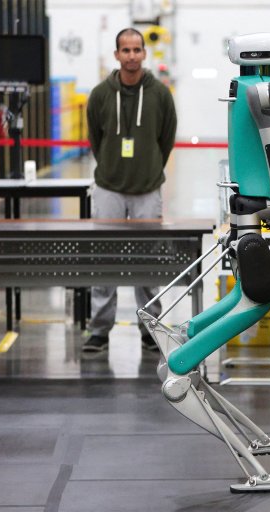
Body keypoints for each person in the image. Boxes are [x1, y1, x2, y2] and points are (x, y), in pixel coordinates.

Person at [82, 27, 177, 353]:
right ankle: (99, 330)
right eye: (126, 50)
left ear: (144, 54)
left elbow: (166, 137)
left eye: (137, 50)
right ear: (117, 55)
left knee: (147, 262)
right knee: (104, 261)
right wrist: (110, 165)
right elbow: (96, 138)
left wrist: (150, 166)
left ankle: (150, 328)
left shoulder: (160, 94)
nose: (132, 56)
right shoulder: (100, 94)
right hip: (108, 188)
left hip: (147, 189)